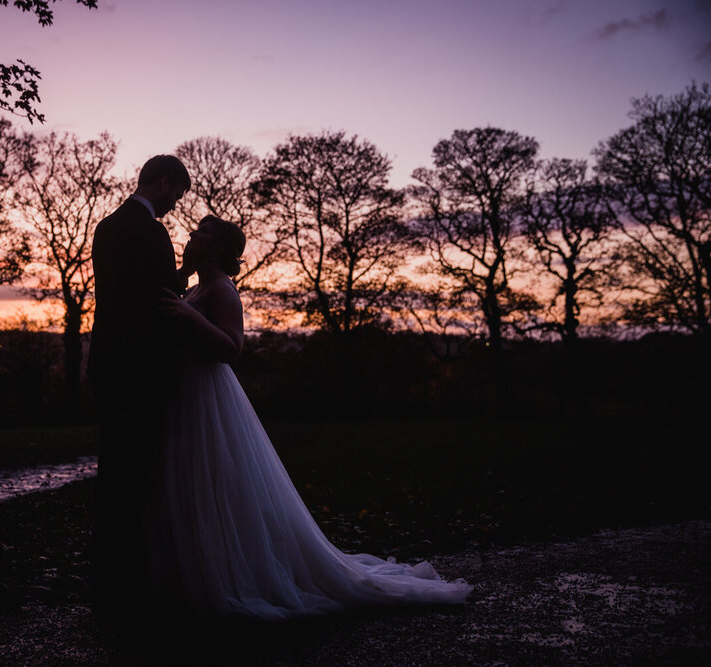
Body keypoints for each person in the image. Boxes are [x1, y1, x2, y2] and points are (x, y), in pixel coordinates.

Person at [157, 215, 472, 620]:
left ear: (217, 248)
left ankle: (237, 573)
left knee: (221, 483)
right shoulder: (199, 285)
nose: (189, 236)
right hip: (187, 395)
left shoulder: (221, 290)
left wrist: (190, 317)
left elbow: (232, 348)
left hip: (209, 396)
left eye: (199, 233)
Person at [87, 154, 193, 612]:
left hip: (109, 364)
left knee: (112, 469)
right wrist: (188, 272)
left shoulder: (106, 226)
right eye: (177, 193)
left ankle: (108, 578)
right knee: (139, 473)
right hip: (141, 370)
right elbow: (160, 301)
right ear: (164, 182)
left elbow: (121, 297)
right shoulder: (152, 232)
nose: (175, 203)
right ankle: (130, 583)